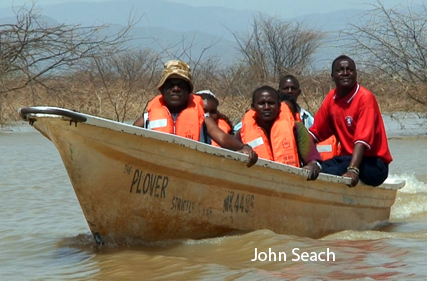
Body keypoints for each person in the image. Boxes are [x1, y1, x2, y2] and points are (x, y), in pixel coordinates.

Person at [133, 60, 258, 167]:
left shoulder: (203, 119)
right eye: (170, 85)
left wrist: (243, 147)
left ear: (189, 91)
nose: (176, 89)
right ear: (162, 89)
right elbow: (126, 138)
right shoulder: (146, 119)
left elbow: (222, 137)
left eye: (181, 85)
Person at [309, 55, 392, 187]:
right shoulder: (332, 98)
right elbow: (313, 134)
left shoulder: (365, 98)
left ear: (356, 74)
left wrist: (353, 170)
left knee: (332, 172)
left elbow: (362, 141)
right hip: (346, 158)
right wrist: (310, 161)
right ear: (332, 75)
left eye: (350, 70)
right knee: (318, 169)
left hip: (374, 164)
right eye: (340, 70)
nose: (345, 73)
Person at [235, 85, 322, 180]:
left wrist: (313, 165)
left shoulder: (296, 128)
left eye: (271, 103)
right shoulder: (242, 134)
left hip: (290, 182)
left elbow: (312, 160)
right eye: (261, 103)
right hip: (256, 183)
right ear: (253, 107)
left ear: (279, 106)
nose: (266, 107)